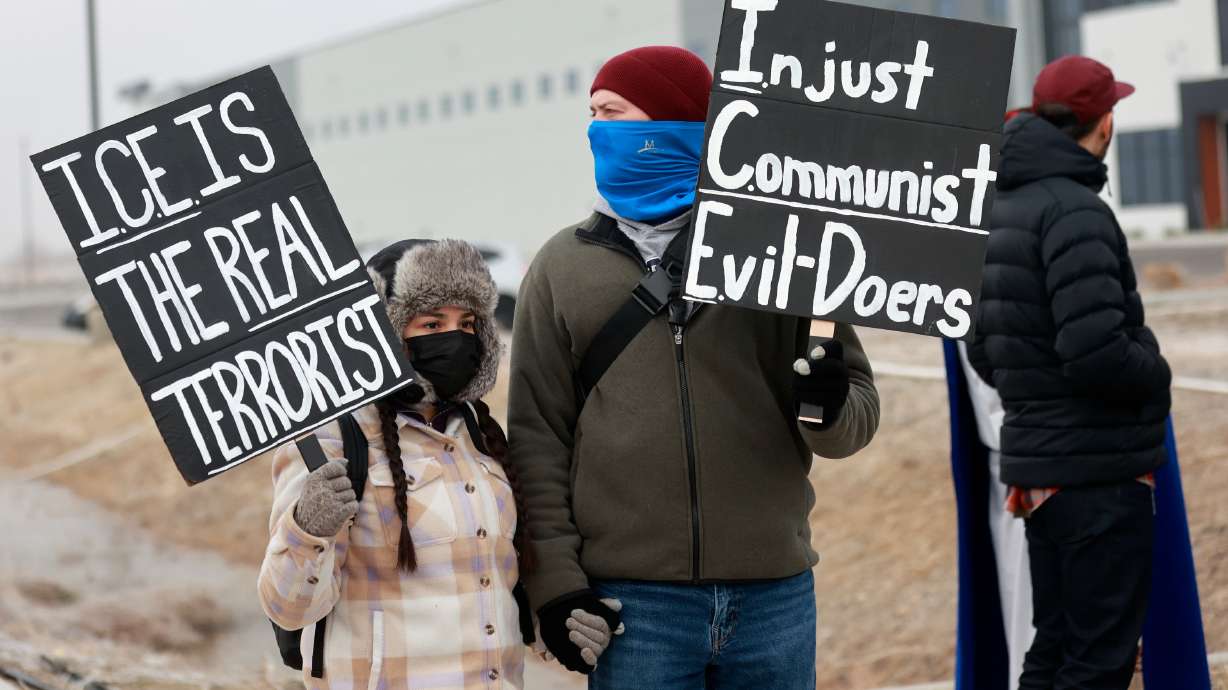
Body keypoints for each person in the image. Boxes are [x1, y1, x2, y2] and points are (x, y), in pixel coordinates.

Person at [508, 46, 880, 689]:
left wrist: (825, 403)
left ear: (672, 126)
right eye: (592, 114)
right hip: (633, 607)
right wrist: (559, 587)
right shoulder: (560, 267)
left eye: (612, 112)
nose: (595, 129)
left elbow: (854, 417)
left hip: (775, 599)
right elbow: (538, 443)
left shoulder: (778, 250)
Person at [258, 239, 609, 689]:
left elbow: (491, 587)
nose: (456, 338)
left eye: (467, 323)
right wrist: (308, 528)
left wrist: (560, 620)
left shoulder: (481, 437)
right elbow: (287, 608)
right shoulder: (333, 439)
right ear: (387, 330)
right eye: (432, 323)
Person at [967, 56, 1171, 689]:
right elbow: (1095, 351)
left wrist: (1037, 398)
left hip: (1044, 473)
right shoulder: (1076, 210)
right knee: (1098, 662)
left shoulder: (1001, 207)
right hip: (1097, 476)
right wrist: (1155, 370)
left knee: (1053, 648)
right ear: (1103, 122)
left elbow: (983, 350)